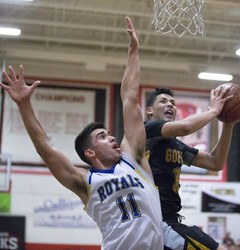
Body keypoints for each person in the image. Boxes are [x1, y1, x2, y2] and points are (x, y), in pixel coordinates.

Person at [1, 17, 164, 249]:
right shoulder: (85, 181)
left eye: (109, 134)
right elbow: (45, 148)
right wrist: (24, 105)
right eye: (102, 136)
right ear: (89, 152)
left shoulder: (134, 161)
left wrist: (134, 52)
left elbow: (129, 99)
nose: (112, 137)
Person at [144, 86, 239, 249]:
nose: (170, 105)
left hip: (169, 220)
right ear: (149, 111)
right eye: (163, 101)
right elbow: (185, 127)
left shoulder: (177, 146)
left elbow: (215, 162)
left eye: (173, 103)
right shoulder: (146, 131)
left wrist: (228, 124)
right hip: (159, 221)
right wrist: (214, 111)